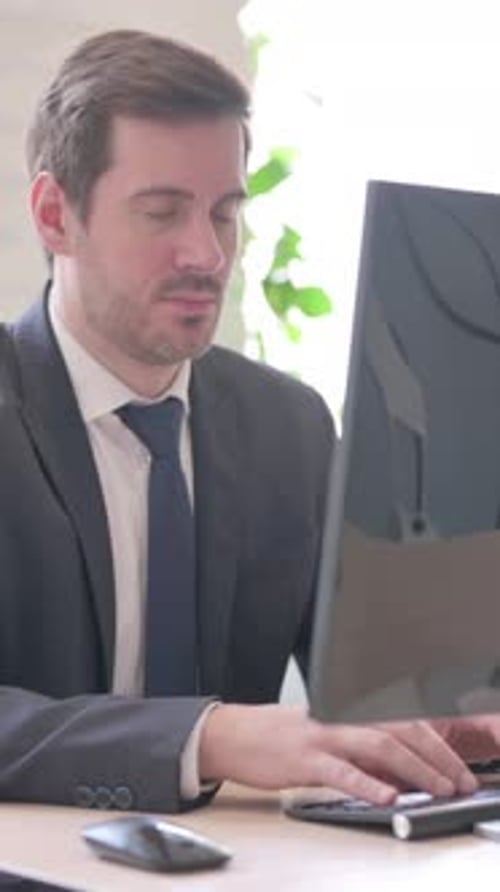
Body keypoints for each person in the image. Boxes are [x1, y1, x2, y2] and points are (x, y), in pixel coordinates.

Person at [0, 28, 495, 815]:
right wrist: (214, 736)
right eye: (162, 213)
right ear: (56, 215)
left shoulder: (287, 428)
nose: (205, 253)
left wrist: (426, 718)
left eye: (225, 214)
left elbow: (364, 680)